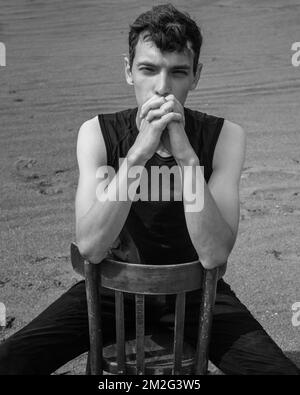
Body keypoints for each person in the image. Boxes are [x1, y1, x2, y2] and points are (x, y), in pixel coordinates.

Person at [0, 4, 299, 375]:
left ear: (196, 76)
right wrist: (139, 152)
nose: (162, 87)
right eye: (148, 69)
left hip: (198, 296)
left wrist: (188, 158)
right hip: (110, 292)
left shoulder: (225, 137)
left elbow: (214, 253)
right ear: (128, 71)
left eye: (177, 72)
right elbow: (91, 245)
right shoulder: (96, 133)